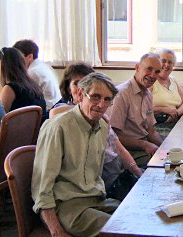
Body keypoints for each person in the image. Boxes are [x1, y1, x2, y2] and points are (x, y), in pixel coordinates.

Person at [32, 72, 120, 237]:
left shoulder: (102, 126)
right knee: (122, 230)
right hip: (68, 207)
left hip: (96, 200)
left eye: (107, 99)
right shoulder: (58, 127)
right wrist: (56, 230)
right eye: (95, 97)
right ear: (80, 94)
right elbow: (41, 187)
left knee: (139, 218)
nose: (101, 105)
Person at [50, 62, 143, 200]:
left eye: (87, 82)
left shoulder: (98, 116)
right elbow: (54, 113)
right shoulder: (64, 112)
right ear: (69, 88)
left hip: (117, 171)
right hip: (100, 180)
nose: (82, 86)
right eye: (76, 83)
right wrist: (88, 109)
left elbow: (120, 149)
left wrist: (137, 172)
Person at [107, 53, 163, 169]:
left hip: (143, 145)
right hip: (128, 151)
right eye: (149, 69)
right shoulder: (121, 94)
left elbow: (151, 131)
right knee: (163, 164)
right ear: (137, 67)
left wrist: (165, 148)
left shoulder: (147, 94)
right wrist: (144, 145)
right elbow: (113, 136)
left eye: (157, 72)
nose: (152, 75)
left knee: (175, 154)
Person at [0, 47, 47, 121]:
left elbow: (0, 120)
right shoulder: (34, 86)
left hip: (13, 132)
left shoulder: (9, 89)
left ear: (4, 65)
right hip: (35, 132)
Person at [13, 39, 61, 112]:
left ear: (30, 56)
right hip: (54, 107)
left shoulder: (33, 72)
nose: (17, 61)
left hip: (47, 111)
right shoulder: (42, 66)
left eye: (19, 57)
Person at [150, 49, 183, 138]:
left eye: (170, 62)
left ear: (173, 65)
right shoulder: (151, 81)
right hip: (159, 125)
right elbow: (143, 109)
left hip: (176, 121)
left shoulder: (173, 80)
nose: (166, 65)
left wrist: (176, 113)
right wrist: (164, 109)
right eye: (163, 61)